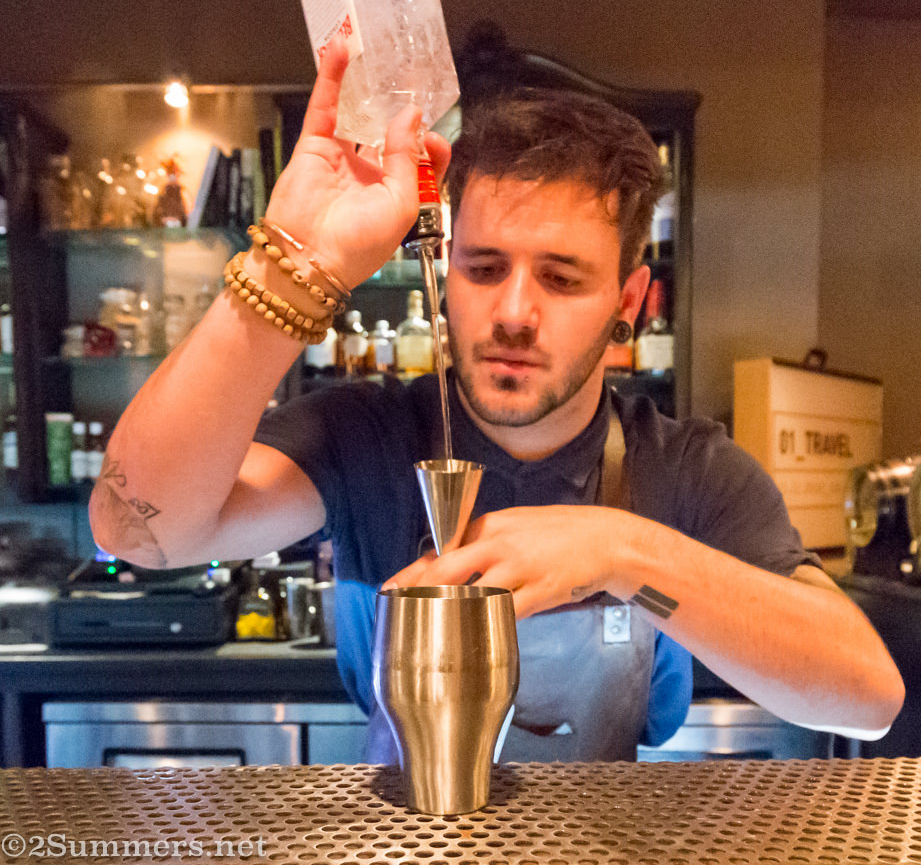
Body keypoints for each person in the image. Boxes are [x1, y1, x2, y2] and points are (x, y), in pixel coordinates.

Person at [90, 39, 904, 762]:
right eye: (482, 269)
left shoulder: (687, 469)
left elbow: (866, 698)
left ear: (629, 302)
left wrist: (622, 553)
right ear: (445, 282)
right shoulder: (365, 435)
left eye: (560, 277)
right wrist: (289, 269)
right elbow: (139, 531)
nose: (514, 311)